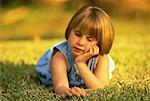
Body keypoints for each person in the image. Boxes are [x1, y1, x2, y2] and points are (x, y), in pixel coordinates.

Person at [36, 5, 115, 97]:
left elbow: (101, 88)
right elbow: (60, 86)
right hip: (56, 63)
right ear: (70, 30)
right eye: (77, 34)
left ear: (100, 43)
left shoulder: (102, 58)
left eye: (89, 39)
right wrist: (67, 91)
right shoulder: (60, 56)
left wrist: (80, 64)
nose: (80, 42)